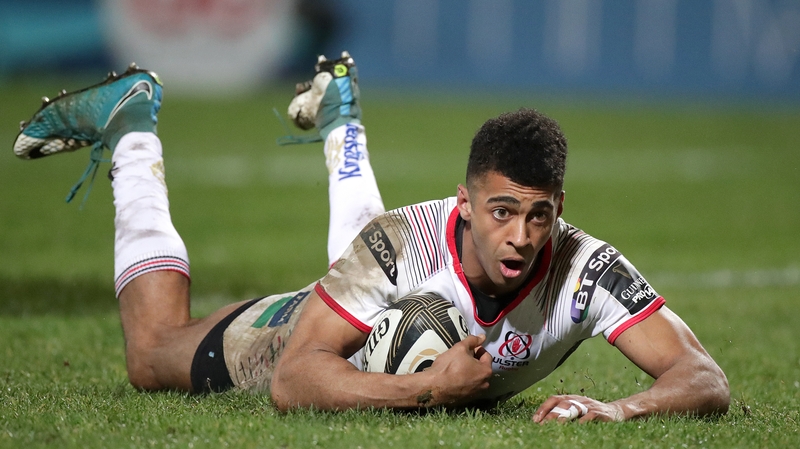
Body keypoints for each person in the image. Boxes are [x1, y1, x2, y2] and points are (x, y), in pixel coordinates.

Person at [13, 53, 729, 422]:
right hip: (308, 327)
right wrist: (427, 390)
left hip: (382, 287)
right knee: (151, 354)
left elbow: (703, 376)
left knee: (369, 262)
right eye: (501, 211)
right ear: (465, 202)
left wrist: (615, 408)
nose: (521, 236)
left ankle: (340, 113)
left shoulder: (583, 267)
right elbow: (294, 379)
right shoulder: (401, 242)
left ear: (560, 208)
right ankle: (132, 127)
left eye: (539, 215)